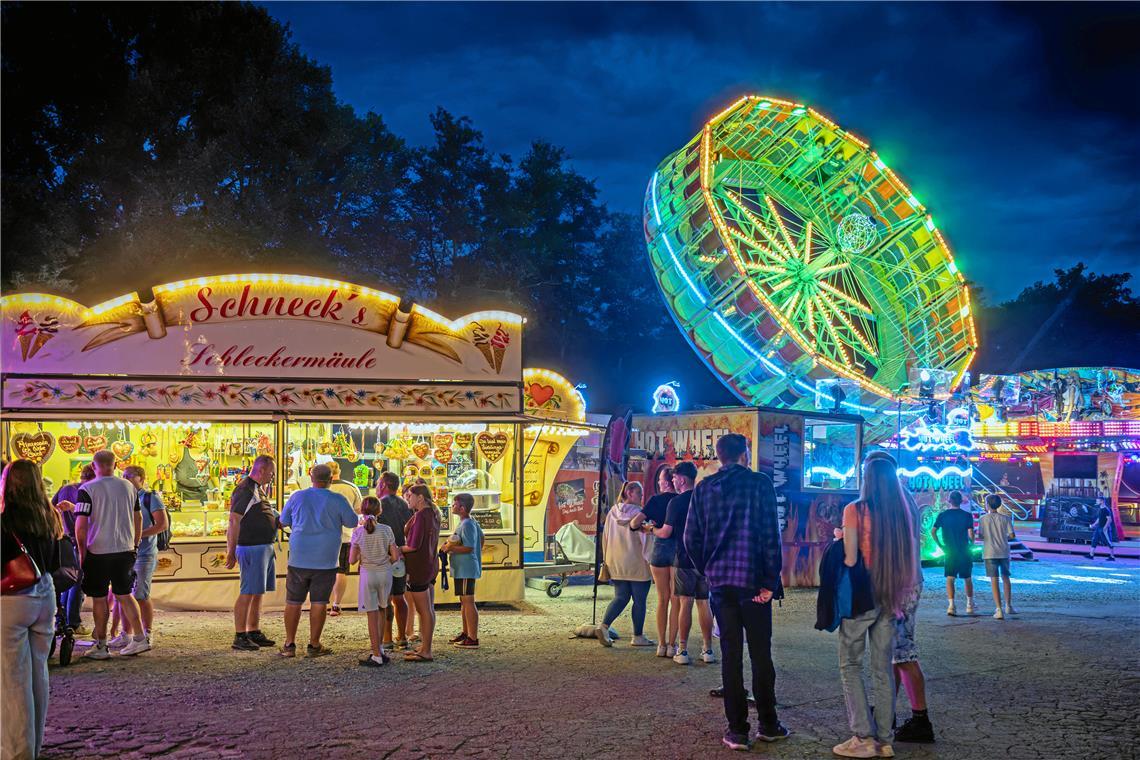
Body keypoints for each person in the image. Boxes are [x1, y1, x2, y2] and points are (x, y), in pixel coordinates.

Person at [685, 433, 789, 751]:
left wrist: (709, 568)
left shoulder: (703, 489)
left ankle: (737, 730)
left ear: (719, 455)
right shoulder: (760, 484)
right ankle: (769, 724)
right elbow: (771, 535)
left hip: (721, 584)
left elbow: (691, 539)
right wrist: (770, 581)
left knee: (730, 655)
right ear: (745, 453)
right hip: (754, 582)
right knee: (760, 653)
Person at [832, 455, 917, 759]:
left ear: (867, 478)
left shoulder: (855, 510)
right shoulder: (901, 513)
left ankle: (862, 737)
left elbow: (852, 559)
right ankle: (885, 740)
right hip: (890, 597)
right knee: (882, 669)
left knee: (850, 664)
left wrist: (841, 537)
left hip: (862, 597)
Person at [863, 451, 935, 745]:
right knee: (893, 653)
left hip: (894, 583)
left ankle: (921, 720)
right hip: (909, 581)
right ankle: (886, 711)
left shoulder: (877, 503)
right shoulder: (904, 499)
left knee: (903, 653)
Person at [2, 460, 64, 760]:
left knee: (13, 679)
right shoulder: (48, 514)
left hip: (13, 600)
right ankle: (34, 744)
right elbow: (53, 561)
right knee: (38, 674)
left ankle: (18, 751)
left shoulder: (6, 518)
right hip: (45, 595)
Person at [277, 464, 358, 658]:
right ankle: (314, 644)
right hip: (326, 559)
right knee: (320, 602)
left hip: (299, 557)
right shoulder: (338, 499)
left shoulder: (297, 496)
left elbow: (284, 520)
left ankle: (289, 644)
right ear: (331, 479)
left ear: (311, 478)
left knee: (293, 601)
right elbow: (352, 522)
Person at [75, 450, 149, 658]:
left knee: (99, 598)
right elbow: (139, 518)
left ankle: (101, 645)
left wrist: (82, 553)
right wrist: (134, 544)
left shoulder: (87, 489)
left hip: (97, 550)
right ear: (115, 464)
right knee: (124, 594)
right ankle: (140, 638)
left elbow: (81, 527)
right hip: (125, 549)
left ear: (93, 465)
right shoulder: (129, 487)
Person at [662, 462, 714, 666]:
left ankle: (682, 650)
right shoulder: (707, 500)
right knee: (704, 602)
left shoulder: (676, 503)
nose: (672, 481)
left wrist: (651, 530)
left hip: (684, 558)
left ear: (682, 479)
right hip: (706, 559)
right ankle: (708, 649)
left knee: (685, 602)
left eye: (674, 478)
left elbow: (666, 532)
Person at [225, 455, 279, 651]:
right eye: (271, 472)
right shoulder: (246, 490)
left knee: (257, 591)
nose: (272, 476)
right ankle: (240, 635)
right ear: (262, 470)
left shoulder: (257, 489)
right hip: (251, 547)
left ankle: (253, 630)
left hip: (262, 546)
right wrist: (231, 551)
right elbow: (234, 521)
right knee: (248, 591)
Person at [597, 481, 655, 648]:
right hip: (637, 563)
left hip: (616, 563)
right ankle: (637, 636)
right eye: (639, 494)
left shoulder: (612, 512)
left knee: (621, 597)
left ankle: (604, 626)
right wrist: (650, 560)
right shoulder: (639, 514)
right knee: (639, 601)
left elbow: (605, 538)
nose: (641, 498)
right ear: (629, 493)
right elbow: (646, 540)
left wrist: (607, 560)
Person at [630, 465, 678, 658]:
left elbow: (634, 523)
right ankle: (673, 645)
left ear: (665, 482)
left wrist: (647, 527)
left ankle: (661, 644)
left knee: (662, 599)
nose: (658, 483)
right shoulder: (681, 499)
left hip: (659, 549)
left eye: (659, 481)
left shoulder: (655, 500)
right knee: (676, 600)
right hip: (678, 551)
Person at [119, 466, 167, 647]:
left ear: (141, 478)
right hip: (126, 552)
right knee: (124, 593)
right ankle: (126, 633)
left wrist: (138, 536)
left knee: (140, 594)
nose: (126, 479)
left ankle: (147, 632)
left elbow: (161, 524)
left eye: (129, 476)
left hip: (145, 553)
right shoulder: (124, 497)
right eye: (123, 476)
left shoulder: (150, 497)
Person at [350, 496, 400, 667]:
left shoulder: (357, 532)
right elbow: (395, 556)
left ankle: (376, 654)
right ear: (380, 511)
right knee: (382, 610)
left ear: (362, 511)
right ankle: (380, 650)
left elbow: (351, 560)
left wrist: (360, 552)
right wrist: (385, 560)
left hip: (368, 574)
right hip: (385, 574)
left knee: (371, 615)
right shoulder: (387, 530)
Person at [52, 465, 95, 635]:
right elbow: (89, 518)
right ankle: (74, 623)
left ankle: (62, 621)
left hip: (63, 540)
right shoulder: (88, 492)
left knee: (66, 580)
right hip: (80, 541)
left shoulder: (65, 488)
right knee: (77, 582)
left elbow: (50, 507)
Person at [401, 484, 442, 662]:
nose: (407, 498)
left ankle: (426, 651)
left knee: (423, 610)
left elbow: (413, 545)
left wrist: (395, 549)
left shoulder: (420, 516)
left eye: (410, 495)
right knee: (429, 609)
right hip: (430, 564)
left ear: (420, 498)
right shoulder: (433, 514)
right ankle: (426, 645)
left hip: (419, 566)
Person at [375, 471, 413, 649]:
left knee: (386, 598)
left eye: (378, 483)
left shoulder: (380, 505)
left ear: (383, 484)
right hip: (401, 555)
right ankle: (402, 636)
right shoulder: (405, 504)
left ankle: (387, 637)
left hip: (385, 556)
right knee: (399, 596)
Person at [444, 492, 485, 648]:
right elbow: (481, 539)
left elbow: (468, 547)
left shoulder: (467, 524)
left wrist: (450, 548)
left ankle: (472, 637)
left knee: (468, 601)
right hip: (463, 567)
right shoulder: (469, 522)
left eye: (454, 504)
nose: (452, 506)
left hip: (466, 568)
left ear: (462, 508)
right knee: (464, 601)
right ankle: (466, 632)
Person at [328, 460, 363, 617]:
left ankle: (320, 602)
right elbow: (359, 510)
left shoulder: (320, 488)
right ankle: (336, 604)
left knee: (323, 570)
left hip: (323, 536)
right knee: (341, 571)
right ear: (339, 471)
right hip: (346, 535)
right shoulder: (351, 487)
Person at [932, 490, 976, 616]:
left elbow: (933, 531)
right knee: (967, 578)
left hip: (950, 550)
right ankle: (969, 605)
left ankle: (951, 606)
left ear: (949, 501)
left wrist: (941, 545)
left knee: (950, 578)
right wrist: (971, 544)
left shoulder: (943, 515)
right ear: (961, 501)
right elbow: (971, 534)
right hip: (964, 550)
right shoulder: (967, 515)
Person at [979, 494, 1017, 619]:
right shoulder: (1006, 518)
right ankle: (1008, 606)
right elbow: (1012, 536)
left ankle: (998, 609)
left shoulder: (983, 519)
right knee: (1006, 578)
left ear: (988, 505)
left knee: (994, 580)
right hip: (1004, 551)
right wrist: (1002, 537)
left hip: (990, 552)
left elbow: (980, 536)